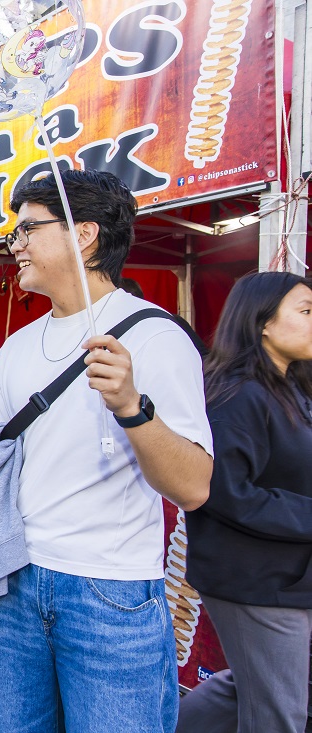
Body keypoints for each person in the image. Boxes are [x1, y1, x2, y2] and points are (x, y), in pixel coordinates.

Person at [0, 171, 212, 733]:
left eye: (27, 230)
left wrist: (132, 405)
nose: (16, 247)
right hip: (17, 581)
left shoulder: (157, 336)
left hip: (111, 593)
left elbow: (193, 486)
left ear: (84, 234)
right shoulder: (17, 346)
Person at [177, 272, 312, 733]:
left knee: (254, 687)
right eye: (306, 311)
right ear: (263, 323)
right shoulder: (238, 394)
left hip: (284, 574)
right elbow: (226, 492)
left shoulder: (289, 383)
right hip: (254, 579)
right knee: (279, 712)